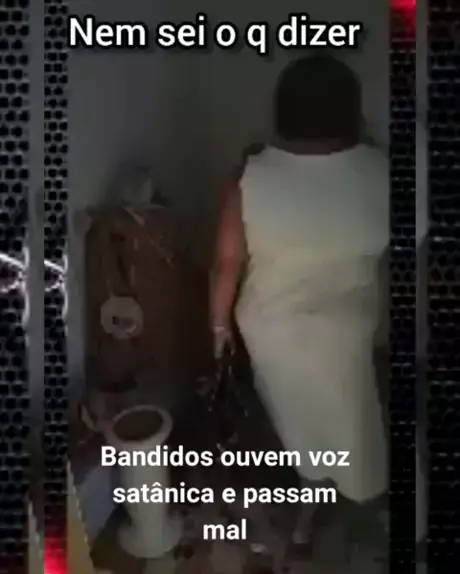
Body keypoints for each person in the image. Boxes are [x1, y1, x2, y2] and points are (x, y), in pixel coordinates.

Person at [210, 55, 390, 547]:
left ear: (283, 110)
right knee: (354, 414)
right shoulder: (383, 171)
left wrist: (219, 331)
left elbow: (227, 264)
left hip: (272, 331)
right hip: (345, 329)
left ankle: (313, 493)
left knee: (297, 416)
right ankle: (367, 494)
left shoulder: (249, 177)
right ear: (351, 110)